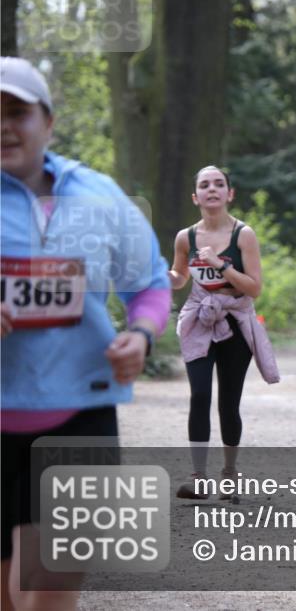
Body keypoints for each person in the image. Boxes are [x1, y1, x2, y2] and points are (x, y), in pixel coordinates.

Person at [1, 56, 171, 610]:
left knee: (53, 584)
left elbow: (148, 282)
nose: (4, 125)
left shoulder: (98, 195)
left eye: (17, 112)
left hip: (83, 411)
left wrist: (142, 335)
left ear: (47, 122)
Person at [169, 165, 278, 501]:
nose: (212, 189)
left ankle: (229, 473)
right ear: (195, 196)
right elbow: (181, 274)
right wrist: (167, 278)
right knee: (199, 395)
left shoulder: (243, 234)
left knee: (228, 403)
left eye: (219, 184)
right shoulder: (185, 237)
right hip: (199, 319)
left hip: (235, 320)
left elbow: (255, 288)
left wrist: (220, 264)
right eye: (205, 184)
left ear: (229, 194)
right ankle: (198, 476)